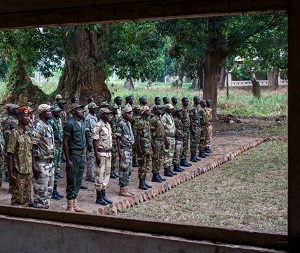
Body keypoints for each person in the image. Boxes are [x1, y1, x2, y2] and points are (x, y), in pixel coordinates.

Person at [6, 107, 39, 206]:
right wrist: (10, 174)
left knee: (26, 198)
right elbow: (9, 154)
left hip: (28, 171)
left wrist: (34, 166)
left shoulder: (28, 133)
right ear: (19, 117)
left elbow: (32, 150)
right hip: (18, 171)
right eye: (26, 116)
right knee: (17, 199)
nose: (28, 118)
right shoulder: (14, 133)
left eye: (29, 116)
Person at [63, 103, 86, 212]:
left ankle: (75, 203)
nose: (82, 112)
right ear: (73, 112)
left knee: (78, 180)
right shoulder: (70, 124)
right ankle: (70, 206)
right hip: (73, 156)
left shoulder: (82, 123)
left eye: (82, 110)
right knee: (71, 180)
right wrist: (67, 160)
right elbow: (65, 142)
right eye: (79, 110)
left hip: (81, 155)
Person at [32, 104, 55, 209]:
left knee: (49, 191)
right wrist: (34, 164)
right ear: (42, 113)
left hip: (50, 163)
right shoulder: (39, 126)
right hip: (41, 163)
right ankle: (38, 214)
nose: (50, 113)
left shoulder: (48, 126)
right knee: (41, 192)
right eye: (48, 111)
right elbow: (33, 145)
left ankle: (46, 212)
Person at [92, 108, 113, 206]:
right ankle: (99, 197)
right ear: (102, 115)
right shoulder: (98, 125)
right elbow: (95, 141)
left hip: (108, 153)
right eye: (107, 114)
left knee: (106, 175)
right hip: (101, 153)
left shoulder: (108, 125)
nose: (109, 116)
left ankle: (103, 195)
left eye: (109, 114)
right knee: (99, 175)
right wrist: (96, 155)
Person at [116, 105, 134, 197]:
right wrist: (119, 151)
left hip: (129, 149)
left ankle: (125, 187)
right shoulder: (121, 124)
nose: (131, 115)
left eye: (131, 113)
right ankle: (122, 189)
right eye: (129, 113)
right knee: (124, 168)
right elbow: (118, 139)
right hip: (124, 149)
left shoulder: (128, 123)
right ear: (123, 114)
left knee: (129, 169)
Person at [48, 105, 64, 200]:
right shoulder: (51, 121)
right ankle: (51, 191)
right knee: (53, 169)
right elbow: (50, 134)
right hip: (54, 147)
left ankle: (55, 190)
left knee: (57, 169)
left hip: (59, 147)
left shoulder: (59, 120)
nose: (59, 113)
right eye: (57, 111)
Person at [136, 106, 153, 190]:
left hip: (147, 148)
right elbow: (138, 137)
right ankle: (141, 183)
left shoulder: (147, 122)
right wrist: (139, 149)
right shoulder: (140, 122)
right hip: (142, 148)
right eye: (147, 110)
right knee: (142, 165)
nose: (149, 112)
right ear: (143, 112)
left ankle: (144, 181)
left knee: (146, 165)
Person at [149, 105, 167, 183]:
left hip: (161, 140)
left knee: (160, 158)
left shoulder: (159, 118)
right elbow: (151, 132)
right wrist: (152, 143)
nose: (161, 110)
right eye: (159, 109)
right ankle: (154, 175)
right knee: (155, 158)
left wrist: (165, 140)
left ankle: (157, 173)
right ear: (155, 110)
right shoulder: (153, 120)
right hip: (156, 140)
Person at [1, 104, 19, 182]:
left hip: (15, 143)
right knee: (9, 160)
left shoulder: (15, 118)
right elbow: (6, 134)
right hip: (9, 143)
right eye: (15, 109)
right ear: (10, 110)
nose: (16, 111)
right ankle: (8, 175)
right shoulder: (7, 119)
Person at [161, 104, 177, 177]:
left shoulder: (170, 116)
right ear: (167, 109)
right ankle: (166, 170)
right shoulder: (164, 117)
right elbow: (163, 129)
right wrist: (165, 140)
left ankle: (169, 169)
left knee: (171, 153)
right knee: (167, 154)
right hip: (167, 137)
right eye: (170, 109)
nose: (172, 110)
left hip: (172, 137)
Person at [84, 102, 99, 183]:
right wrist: (88, 144)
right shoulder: (88, 118)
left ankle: (92, 174)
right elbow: (86, 131)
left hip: (94, 139)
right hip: (90, 139)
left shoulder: (94, 117)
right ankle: (89, 175)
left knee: (93, 157)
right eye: (94, 108)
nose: (95, 109)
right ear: (90, 109)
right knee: (90, 158)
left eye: (95, 108)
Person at [180, 97, 192, 167]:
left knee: (186, 144)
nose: (187, 103)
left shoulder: (187, 109)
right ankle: (182, 160)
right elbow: (181, 121)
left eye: (188, 101)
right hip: (183, 130)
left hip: (187, 129)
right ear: (182, 102)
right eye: (185, 101)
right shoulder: (182, 110)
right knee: (184, 145)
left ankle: (184, 159)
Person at [109, 104, 119, 179]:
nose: (116, 110)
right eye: (115, 109)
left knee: (115, 156)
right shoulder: (110, 118)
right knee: (112, 156)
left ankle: (113, 171)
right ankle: (110, 171)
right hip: (111, 139)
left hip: (115, 139)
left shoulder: (115, 118)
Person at [189, 96, 201, 162]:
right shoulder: (192, 108)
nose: (199, 101)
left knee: (196, 142)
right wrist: (191, 128)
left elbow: (198, 118)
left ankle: (195, 155)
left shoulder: (197, 107)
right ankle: (192, 156)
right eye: (198, 100)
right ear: (194, 100)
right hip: (194, 127)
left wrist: (199, 127)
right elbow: (190, 119)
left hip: (197, 127)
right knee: (193, 142)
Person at [173, 108, 185, 172]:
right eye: (179, 112)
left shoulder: (179, 120)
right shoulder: (175, 120)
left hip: (180, 138)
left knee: (180, 151)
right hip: (177, 138)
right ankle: (176, 166)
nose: (181, 113)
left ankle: (178, 165)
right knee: (176, 152)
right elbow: (175, 129)